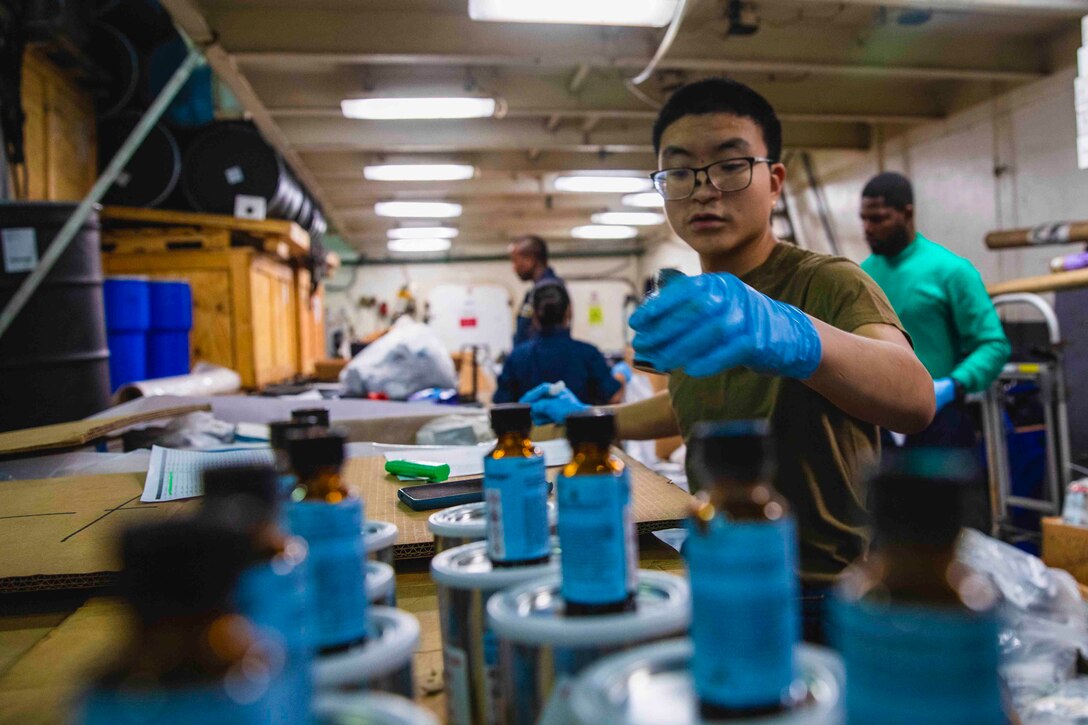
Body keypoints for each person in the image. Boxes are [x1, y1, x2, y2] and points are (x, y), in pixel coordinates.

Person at [521, 77, 935, 642]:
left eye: (730, 165)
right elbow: (695, 399)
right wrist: (590, 421)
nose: (704, 189)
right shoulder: (694, 302)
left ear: (775, 181)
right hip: (718, 565)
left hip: (824, 591)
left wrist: (795, 334)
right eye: (680, 171)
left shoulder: (827, 280)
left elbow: (915, 398)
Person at [860, 172, 1011, 448]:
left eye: (878, 218)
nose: (868, 228)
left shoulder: (951, 271)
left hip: (940, 419)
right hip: (878, 422)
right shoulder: (861, 275)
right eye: (864, 219)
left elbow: (993, 344)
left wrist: (953, 386)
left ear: (907, 213)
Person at [493, 281, 622, 405]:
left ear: (535, 316)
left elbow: (502, 404)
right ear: (568, 312)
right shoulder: (588, 354)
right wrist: (623, 376)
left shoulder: (516, 357)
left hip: (531, 427)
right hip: (580, 428)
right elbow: (613, 397)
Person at [509, 234, 564, 347]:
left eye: (516, 261)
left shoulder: (550, 290)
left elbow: (550, 335)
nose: (514, 268)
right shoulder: (536, 291)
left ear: (530, 259)